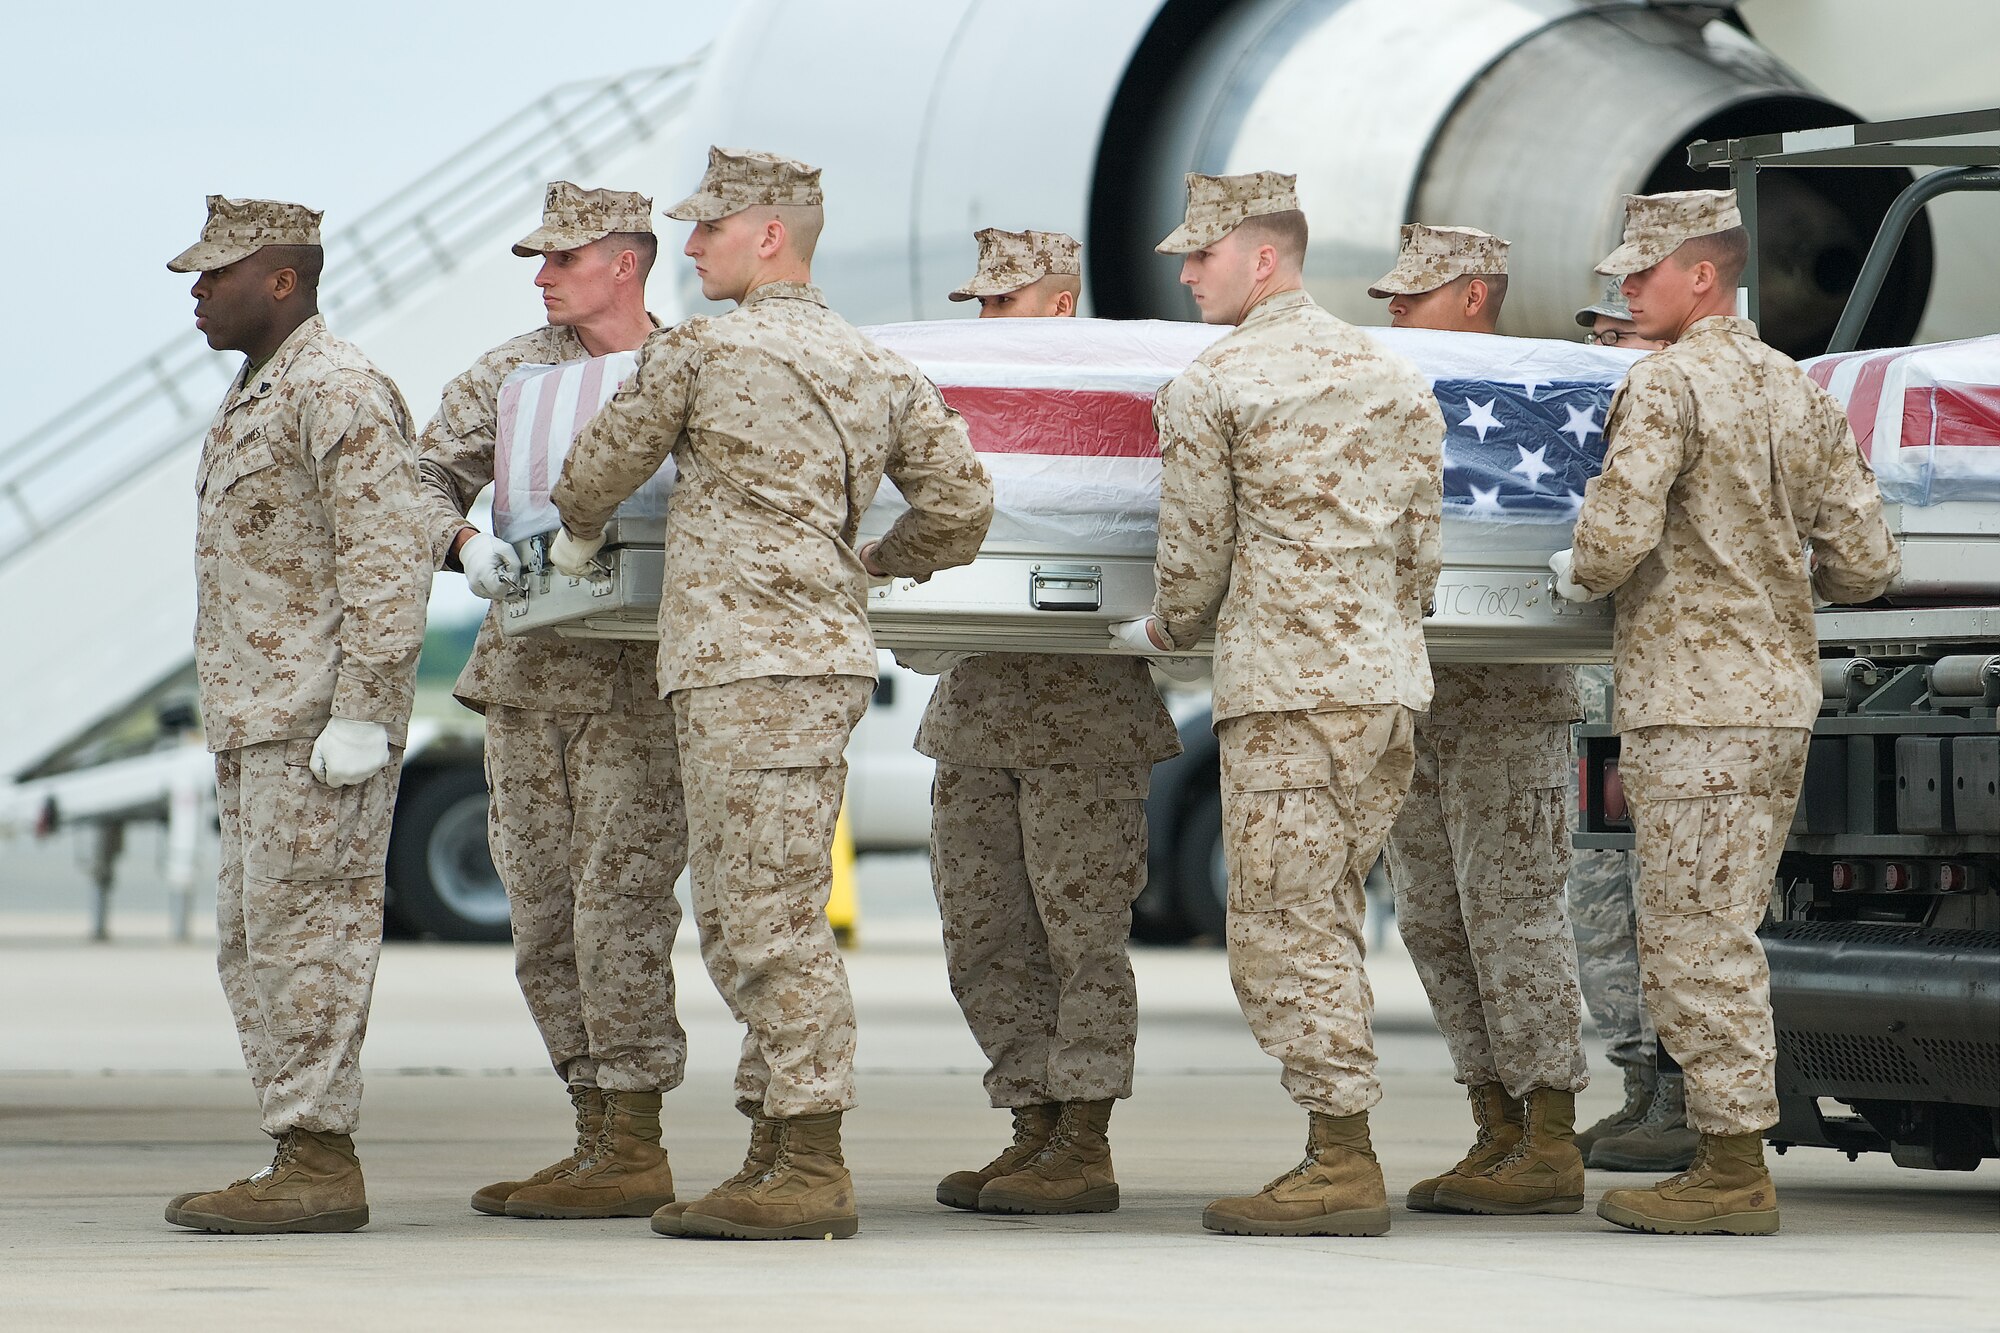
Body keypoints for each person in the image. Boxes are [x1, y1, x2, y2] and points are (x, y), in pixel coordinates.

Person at [549, 146, 994, 1241]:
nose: (687, 246)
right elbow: (963, 506)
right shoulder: (872, 363)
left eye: (706, 229)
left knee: (763, 918)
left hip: (743, 666)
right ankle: (774, 1145)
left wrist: (570, 533)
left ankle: (805, 1158)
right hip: (814, 658)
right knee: (763, 906)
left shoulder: (704, 351)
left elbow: (589, 476)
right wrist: (867, 565)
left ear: (768, 236)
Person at [1552, 188, 1899, 1235]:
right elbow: (1866, 564)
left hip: (1688, 705)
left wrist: (1571, 570)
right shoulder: (1794, 391)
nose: (1625, 290)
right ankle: (1727, 1146)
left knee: (1692, 935)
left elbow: (1609, 545)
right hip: (1772, 700)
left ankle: (1729, 1164)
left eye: (1641, 273)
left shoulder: (1666, 386)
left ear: (1700, 275)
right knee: (1726, 925)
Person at [1116, 170, 1444, 1237]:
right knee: (1332, 906)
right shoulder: (1390, 372)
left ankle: (1339, 1159)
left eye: (1199, 253)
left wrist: (1163, 630)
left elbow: (1193, 562)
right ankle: (1335, 1145)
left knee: (1280, 923)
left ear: (1262, 258)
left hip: (1287, 694)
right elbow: (1420, 553)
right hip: (1385, 686)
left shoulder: (1216, 382)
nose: (1182, 269)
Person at [414, 182, 686, 1221]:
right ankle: (592, 1130)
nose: (540, 277)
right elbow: (420, 478)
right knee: (542, 919)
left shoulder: (692, 364)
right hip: (530, 678)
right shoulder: (510, 373)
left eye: (561, 259)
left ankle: (633, 1136)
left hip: (641, 683)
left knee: (620, 909)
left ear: (622, 262)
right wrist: (463, 542)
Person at [163, 197, 430, 1234]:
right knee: (258, 941)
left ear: (280, 279)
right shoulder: (258, 393)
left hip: (317, 727)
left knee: (308, 938)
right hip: (257, 719)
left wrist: (363, 709)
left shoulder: (337, 389)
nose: (196, 292)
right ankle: (297, 1145)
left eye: (213, 275)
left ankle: (320, 1160)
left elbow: (388, 552)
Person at [915, 228, 1182, 1217]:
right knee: (983, 932)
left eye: (1004, 302)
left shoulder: (1107, 399)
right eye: (977, 306)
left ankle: (1083, 1138)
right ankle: (1028, 1122)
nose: (984, 323)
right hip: (978, 711)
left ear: (1060, 303)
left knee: (1079, 934)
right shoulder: (968, 412)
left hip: (1085, 717)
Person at [1368, 224, 1590, 1216]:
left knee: (1509, 916)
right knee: (1430, 917)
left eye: (1412, 296)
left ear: (1472, 297)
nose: (1392, 312)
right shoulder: (1390, 383)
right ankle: (1491, 1121)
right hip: (1421, 690)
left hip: (1507, 697)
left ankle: (1546, 1130)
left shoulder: (1533, 393)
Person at [1565, 277, 1694, 1172]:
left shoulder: (1686, 420)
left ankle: (1685, 1093)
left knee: (1677, 903)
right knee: (1604, 903)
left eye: (1621, 333)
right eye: (1600, 336)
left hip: (1675, 700)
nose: (1607, 350)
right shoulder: (1605, 434)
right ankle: (1640, 1082)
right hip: (1608, 701)